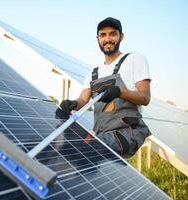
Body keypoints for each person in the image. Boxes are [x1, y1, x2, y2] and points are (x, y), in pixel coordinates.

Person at [60, 17, 151, 158]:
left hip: (126, 132)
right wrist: (73, 104)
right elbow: (83, 101)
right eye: (103, 35)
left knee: (85, 152)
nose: (107, 39)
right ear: (97, 38)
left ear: (121, 36)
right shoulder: (93, 73)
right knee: (67, 149)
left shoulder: (134, 59)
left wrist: (120, 92)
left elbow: (145, 97)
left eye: (113, 34)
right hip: (101, 134)